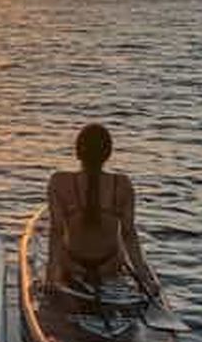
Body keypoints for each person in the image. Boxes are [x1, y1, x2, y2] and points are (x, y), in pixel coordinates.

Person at [46, 123, 160, 296]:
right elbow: (129, 234)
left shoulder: (59, 182)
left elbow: (56, 231)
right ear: (108, 154)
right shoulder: (122, 184)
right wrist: (145, 279)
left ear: (77, 151)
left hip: (73, 265)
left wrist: (50, 276)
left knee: (64, 245)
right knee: (120, 245)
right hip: (109, 266)